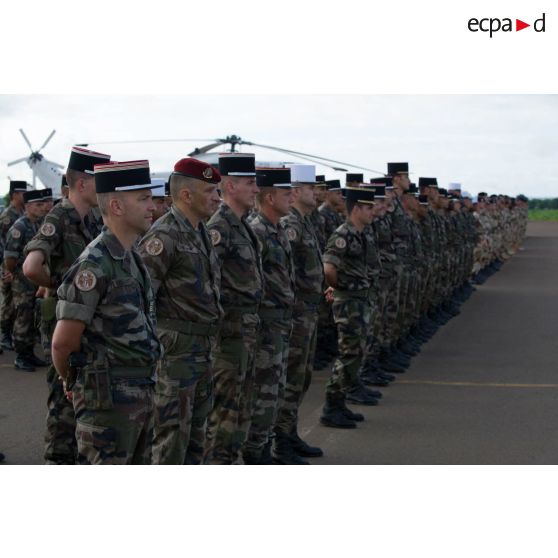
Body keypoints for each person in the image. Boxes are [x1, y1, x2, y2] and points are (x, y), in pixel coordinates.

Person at [52, 159, 162, 465]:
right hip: (108, 403)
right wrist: (72, 379)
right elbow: (63, 343)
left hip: (139, 394)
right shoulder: (95, 263)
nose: (152, 206)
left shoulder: (131, 256)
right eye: (143, 199)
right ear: (115, 206)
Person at [23, 146, 110, 465]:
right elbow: (31, 267)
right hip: (64, 320)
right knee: (63, 400)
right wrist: (60, 286)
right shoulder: (59, 216)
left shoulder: (94, 219)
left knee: (82, 397)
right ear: (84, 184)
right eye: (101, 180)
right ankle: (57, 460)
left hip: (88, 322)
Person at [139, 157, 223, 465]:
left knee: (195, 436)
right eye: (211, 191)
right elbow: (141, 296)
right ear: (186, 195)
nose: (217, 197)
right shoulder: (164, 236)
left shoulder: (199, 230)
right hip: (176, 352)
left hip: (201, 348)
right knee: (172, 437)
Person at [205, 153, 263, 464]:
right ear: (229, 185)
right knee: (224, 414)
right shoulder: (220, 227)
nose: (257, 189)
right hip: (228, 338)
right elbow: (209, 283)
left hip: (245, 334)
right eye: (250, 183)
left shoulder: (241, 226)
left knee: (240, 408)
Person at [244, 167, 296, 464]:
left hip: (280, 323)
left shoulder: (277, 228)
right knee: (262, 396)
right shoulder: (258, 231)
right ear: (270, 196)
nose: (291, 198)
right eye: (286, 193)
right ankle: (255, 453)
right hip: (264, 326)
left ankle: (264, 447)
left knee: (275, 391)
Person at [273, 164, 324, 464]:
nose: (315, 193)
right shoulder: (290, 225)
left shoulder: (304, 222)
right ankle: (281, 440)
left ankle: (289, 432)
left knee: (301, 378)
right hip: (294, 315)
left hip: (307, 313)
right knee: (289, 379)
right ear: (294, 192)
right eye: (309, 188)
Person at [320, 187, 379, 429]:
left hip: (360, 299)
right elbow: (328, 269)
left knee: (357, 352)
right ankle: (331, 406)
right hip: (349, 302)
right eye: (368, 208)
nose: (373, 212)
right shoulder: (342, 234)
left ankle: (341, 401)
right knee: (349, 353)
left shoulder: (362, 233)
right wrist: (341, 288)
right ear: (356, 209)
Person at [3, 188, 51, 371]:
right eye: (38, 205)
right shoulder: (19, 226)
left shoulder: (36, 224)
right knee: (23, 316)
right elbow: (10, 257)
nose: (41, 208)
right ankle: (21, 356)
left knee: (31, 315)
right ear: (28, 206)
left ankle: (29, 353)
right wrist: (13, 273)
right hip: (22, 281)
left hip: (33, 280)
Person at [0, 180, 28, 351]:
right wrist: (5, 269)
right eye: (22, 193)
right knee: (8, 300)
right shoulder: (8, 216)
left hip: (17, 266)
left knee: (15, 303)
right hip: (7, 265)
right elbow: (2, 245)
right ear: (15, 195)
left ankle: (9, 333)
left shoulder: (21, 213)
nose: (25, 195)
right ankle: (4, 335)